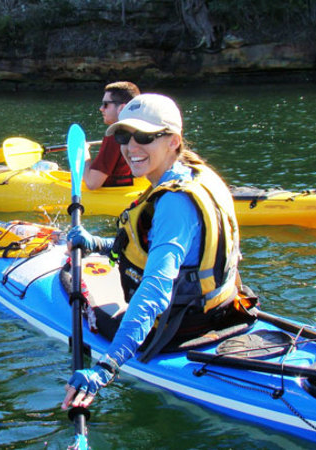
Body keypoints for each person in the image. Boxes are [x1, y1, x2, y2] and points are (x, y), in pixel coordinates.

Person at [61, 93, 242, 410]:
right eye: (123, 136)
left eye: (144, 137)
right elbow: (160, 252)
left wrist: (107, 367)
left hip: (177, 328)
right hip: (221, 312)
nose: (131, 148)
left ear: (173, 140)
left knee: (68, 283)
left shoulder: (174, 202)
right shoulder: (191, 174)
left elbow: (155, 292)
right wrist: (97, 244)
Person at [83, 81, 140, 190]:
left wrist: (83, 154)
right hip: (131, 189)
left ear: (122, 108)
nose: (101, 108)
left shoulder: (115, 137)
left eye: (106, 104)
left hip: (114, 195)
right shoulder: (142, 132)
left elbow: (92, 183)